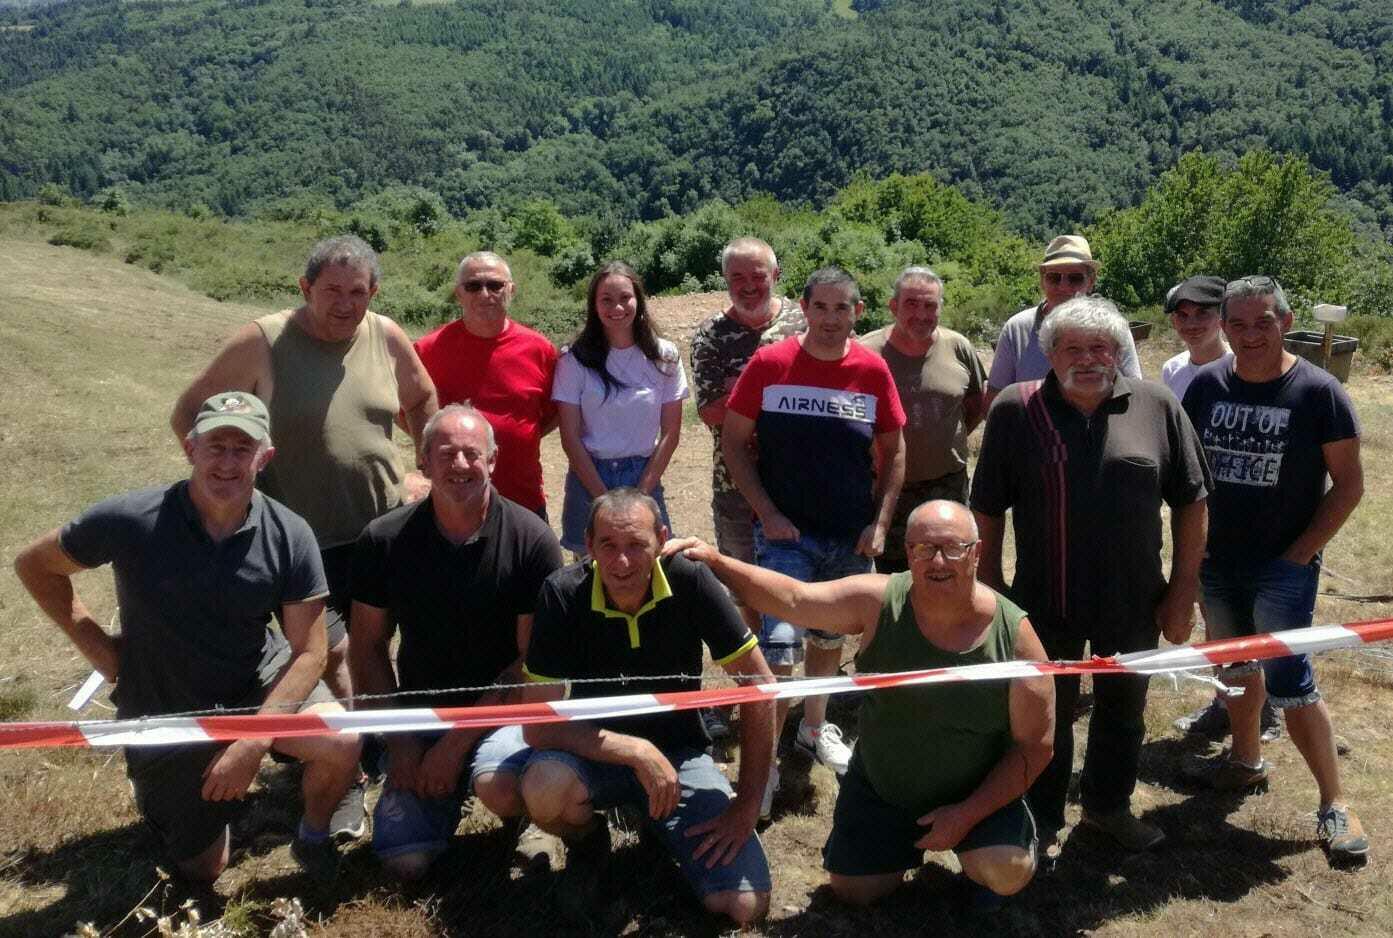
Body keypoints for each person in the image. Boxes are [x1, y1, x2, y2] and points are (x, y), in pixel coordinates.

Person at [14, 392, 363, 882]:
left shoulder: (291, 534)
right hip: (164, 702)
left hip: (254, 680)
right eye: (215, 446)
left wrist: (251, 744)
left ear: (265, 457)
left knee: (343, 739)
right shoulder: (130, 518)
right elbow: (35, 566)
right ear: (189, 449)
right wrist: (103, 652)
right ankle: (173, 797)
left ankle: (313, 834)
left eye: (242, 449)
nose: (227, 462)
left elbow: (310, 652)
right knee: (203, 871)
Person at [667, 499, 1053, 909]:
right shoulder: (878, 601)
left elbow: (1036, 747)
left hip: (976, 791)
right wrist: (716, 562)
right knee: (854, 892)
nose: (938, 561)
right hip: (884, 787)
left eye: (952, 548)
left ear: (976, 553)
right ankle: (892, 840)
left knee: (1005, 870)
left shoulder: (1015, 636)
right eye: (924, 549)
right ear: (908, 553)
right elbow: (795, 599)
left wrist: (966, 815)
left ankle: (988, 853)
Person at [169, 236, 437, 771]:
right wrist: (227, 482)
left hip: (382, 530)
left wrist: (426, 468)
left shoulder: (385, 335)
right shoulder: (263, 341)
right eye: (331, 290)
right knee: (331, 651)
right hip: (300, 537)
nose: (345, 304)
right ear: (305, 287)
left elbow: (422, 397)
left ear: (374, 292)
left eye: (357, 292)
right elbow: (188, 414)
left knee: (377, 642)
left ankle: (378, 744)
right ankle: (358, 755)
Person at [971, 296, 1211, 854]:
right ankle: (1040, 816)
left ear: (1119, 352)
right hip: (1042, 598)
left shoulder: (1155, 404)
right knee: (1041, 712)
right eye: (1072, 348)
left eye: (1100, 347)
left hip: (1132, 598)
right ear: (1050, 354)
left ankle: (1107, 808)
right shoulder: (1016, 408)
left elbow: (1193, 501)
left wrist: (1183, 591)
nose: (1087, 359)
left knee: (1123, 711)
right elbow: (987, 507)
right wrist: (990, 589)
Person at [518, 489, 775, 927]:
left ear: (662, 539)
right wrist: (636, 751)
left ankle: (658, 826)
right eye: (608, 545)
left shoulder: (690, 579)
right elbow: (537, 727)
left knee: (742, 906)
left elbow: (760, 688)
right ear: (588, 544)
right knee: (543, 787)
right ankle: (589, 843)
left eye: (636, 545)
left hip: (680, 756)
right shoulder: (561, 593)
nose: (622, 562)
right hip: (592, 755)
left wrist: (747, 804)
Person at [1181, 275, 1368, 865]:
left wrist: (1300, 554)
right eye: (1237, 324)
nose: (1250, 334)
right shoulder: (1206, 385)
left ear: (1285, 322)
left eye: (1262, 322)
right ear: (1223, 327)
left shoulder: (1318, 392)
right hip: (1217, 562)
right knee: (1234, 665)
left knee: (1291, 680)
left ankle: (1335, 802)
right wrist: (1190, 554)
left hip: (1283, 567)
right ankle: (1246, 760)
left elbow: (1349, 485)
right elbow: (1187, 477)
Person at [348, 404, 563, 879]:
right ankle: (439, 801)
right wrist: (401, 741)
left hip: (506, 715)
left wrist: (454, 746)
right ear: (424, 461)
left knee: (499, 784)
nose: (460, 464)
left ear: (493, 461)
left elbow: (531, 663)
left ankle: (528, 817)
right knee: (404, 863)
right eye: (446, 454)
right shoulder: (383, 540)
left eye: (472, 453)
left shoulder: (532, 540)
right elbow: (366, 647)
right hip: (420, 716)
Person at [723, 266, 905, 805]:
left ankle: (813, 728)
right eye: (820, 307)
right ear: (803, 308)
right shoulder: (770, 364)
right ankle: (763, 767)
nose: (830, 318)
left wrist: (880, 523)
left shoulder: (872, 369)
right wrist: (766, 513)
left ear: (858, 312)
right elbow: (734, 443)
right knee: (778, 652)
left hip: (848, 537)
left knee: (828, 642)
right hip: (785, 537)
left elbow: (894, 452)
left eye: (841, 308)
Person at [689, 237, 805, 740]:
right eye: (738, 276)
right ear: (725, 280)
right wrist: (779, 398)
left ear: (775, 275)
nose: (749, 285)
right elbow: (710, 411)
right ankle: (751, 691)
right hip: (734, 485)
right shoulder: (710, 335)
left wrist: (755, 400)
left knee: (792, 587)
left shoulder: (803, 321)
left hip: (799, 483)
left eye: (757, 275)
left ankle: (790, 695)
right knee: (742, 591)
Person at [1159, 276, 1281, 743]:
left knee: (1256, 618)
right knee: (1214, 613)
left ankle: (1264, 708)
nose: (1192, 323)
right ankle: (1225, 703)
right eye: (1182, 315)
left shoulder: (1244, 365)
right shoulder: (1173, 370)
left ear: (1223, 321)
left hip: (1250, 510)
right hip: (1200, 509)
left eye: (1204, 314)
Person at [553, 262, 688, 556]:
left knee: (651, 562)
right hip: (589, 475)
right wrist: (603, 500)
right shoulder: (574, 359)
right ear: (594, 305)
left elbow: (671, 433)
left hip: (644, 474)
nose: (617, 307)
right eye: (606, 299)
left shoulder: (664, 356)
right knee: (590, 566)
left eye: (625, 297)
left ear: (639, 299)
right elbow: (570, 437)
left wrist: (641, 496)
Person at [859, 266, 988, 572]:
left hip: (947, 483)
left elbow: (975, 404)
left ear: (940, 308)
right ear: (894, 307)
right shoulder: (866, 352)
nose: (921, 314)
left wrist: (943, 439)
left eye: (930, 305)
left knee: (949, 567)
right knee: (892, 574)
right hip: (884, 486)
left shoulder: (958, 347)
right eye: (911, 304)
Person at [413, 251, 559, 519]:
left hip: (523, 499)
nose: (484, 294)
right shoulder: (428, 350)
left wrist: (521, 435)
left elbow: (553, 413)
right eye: (473, 286)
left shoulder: (540, 350)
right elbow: (407, 409)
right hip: (452, 503)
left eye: (495, 285)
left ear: (511, 290)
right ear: (458, 293)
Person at [985, 234, 1141, 409]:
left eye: (1075, 278)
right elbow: (995, 400)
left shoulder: (1113, 328)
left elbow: (1134, 393)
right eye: (1054, 277)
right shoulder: (1016, 329)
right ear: (1042, 281)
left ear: (1091, 282)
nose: (1064, 287)